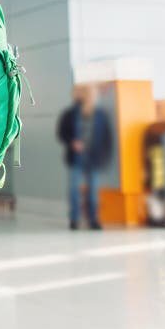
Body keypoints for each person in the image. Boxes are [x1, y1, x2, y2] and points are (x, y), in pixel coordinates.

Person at [57, 84, 113, 230]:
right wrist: (72, 142)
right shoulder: (70, 114)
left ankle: (93, 219)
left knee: (93, 191)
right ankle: (74, 219)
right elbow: (62, 133)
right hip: (76, 158)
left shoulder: (100, 115)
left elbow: (107, 138)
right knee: (74, 189)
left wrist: (104, 157)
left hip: (93, 158)